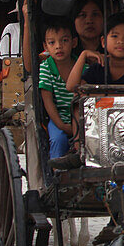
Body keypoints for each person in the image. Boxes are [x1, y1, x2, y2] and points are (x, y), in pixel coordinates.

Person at [66, 12, 124, 91]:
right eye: (115, 36)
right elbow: (71, 87)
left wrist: (98, 95)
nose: (120, 41)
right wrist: (84, 55)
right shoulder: (98, 68)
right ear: (103, 42)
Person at [39, 18, 79, 159]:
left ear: (73, 42)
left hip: (81, 120)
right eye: (52, 42)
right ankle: (56, 174)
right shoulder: (46, 68)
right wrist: (62, 125)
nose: (58, 46)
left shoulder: (81, 66)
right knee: (58, 140)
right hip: (58, 118)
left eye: (64, 41)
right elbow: (48, 102)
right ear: (46, 46)